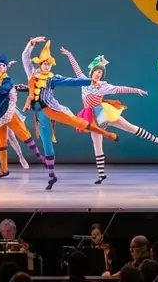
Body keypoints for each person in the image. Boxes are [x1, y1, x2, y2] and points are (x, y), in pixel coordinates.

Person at [21, 38, 117, 189]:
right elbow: (25, 58)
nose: (47, 66)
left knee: (75, 121)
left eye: (49, 64)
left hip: (53, 109)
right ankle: (51, 176)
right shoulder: (32, 75)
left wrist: (90, 82)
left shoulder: (52, 79)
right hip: (40, 113)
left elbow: (71, 81)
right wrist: (31, 44)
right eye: (44, 63)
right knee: (47, 144)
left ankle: (106, 133)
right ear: (40, 64)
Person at [60, 48, 158, 183]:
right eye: (97, 71)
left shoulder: (103, 86)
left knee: (129, 127)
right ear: (92, 72)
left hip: (102, 112)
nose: (98, 74)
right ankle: (101, 174)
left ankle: (156, 140)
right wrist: (70, 55)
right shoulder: (84, 81)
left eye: (100, 72)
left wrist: (136, 90)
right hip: (90, 115)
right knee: (97, 143)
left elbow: (120, 88)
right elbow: (77, 69)